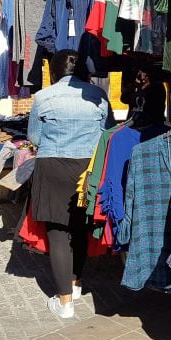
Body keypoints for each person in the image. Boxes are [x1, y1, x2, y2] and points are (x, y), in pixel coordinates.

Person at [27, 49, 114, 319]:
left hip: (52, 165)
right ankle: (75, 285)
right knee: (80, 230)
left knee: (58, 232)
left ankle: (64, 302)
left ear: (53, 71)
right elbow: (107, 133)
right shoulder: (98, 96)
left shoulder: (43, 97)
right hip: (87, 168)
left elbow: (34, 136)